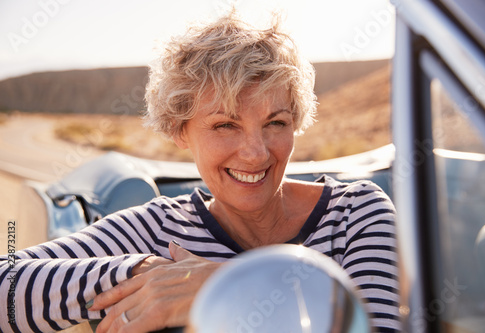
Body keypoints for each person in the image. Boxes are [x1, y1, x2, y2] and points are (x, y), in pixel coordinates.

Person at [0, 13, 400, 332]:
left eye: (275, 123)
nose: (256, 152)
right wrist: (140, 272)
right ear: (180, 131)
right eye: (225, 125)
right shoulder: (155, 233)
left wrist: (219, 286)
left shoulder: (354, 214)